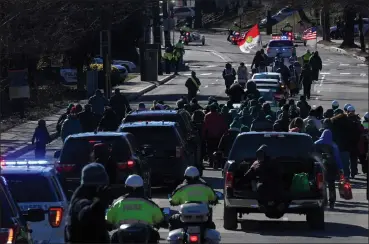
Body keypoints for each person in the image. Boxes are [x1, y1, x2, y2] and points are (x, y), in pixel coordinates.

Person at [107, 175, 163, 243]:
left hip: (122, 236)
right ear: (141, 188)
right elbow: (159, 220)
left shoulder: (117, 203)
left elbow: (108, 221)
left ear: (126, 187)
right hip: (145, 236)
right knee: (155, 235)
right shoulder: (150, 204)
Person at [65, 163, 111, 244]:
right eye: (102, 186)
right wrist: (100, 203)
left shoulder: (83, 196)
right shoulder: (80, 200)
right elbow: (85, 215)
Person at [169, 167, 217, 231]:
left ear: (185, 176)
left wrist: (173, 201)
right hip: (202, 218)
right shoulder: (206, 187)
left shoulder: (180, 188)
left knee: (172, 220)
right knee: (210, 223)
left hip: (185, 217)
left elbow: (173, 200)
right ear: (198, 176)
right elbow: (214, 198)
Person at [315, 129, 344, 209]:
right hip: (332, 167)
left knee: (322, 185)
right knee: (331, 185)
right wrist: (341, 168)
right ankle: (332, 201)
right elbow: (337, 158)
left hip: (320, 166)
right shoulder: (333, 145)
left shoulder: (316, 143)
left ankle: (323, 201)